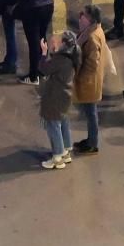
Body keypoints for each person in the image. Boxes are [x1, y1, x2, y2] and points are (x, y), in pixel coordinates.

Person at [37, 30, 80, 169]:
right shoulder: (71, 56)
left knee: (53, 124)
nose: (55, 40)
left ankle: (57, 157)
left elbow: (44, 69)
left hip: (55, 96)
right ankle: (66, 151)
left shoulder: (60, 59)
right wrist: (54, 51)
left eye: (58, 39)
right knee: (63, 121)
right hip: (65, 96)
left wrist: (44, 53)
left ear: (64, 44)